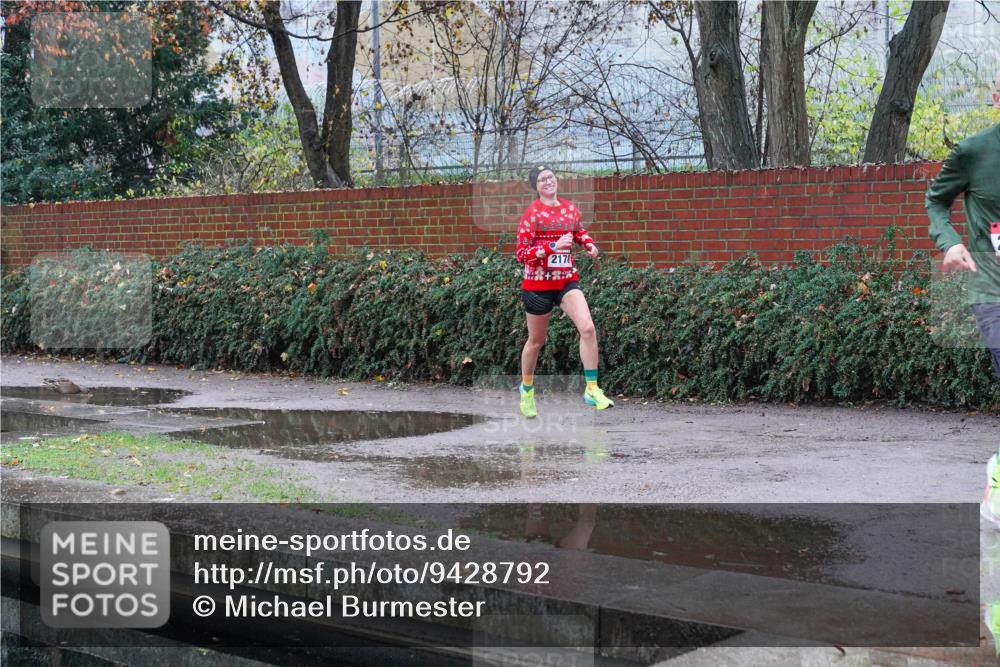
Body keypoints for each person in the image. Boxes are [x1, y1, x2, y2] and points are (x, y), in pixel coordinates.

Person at [925, 70, 1000, 527]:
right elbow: (936, 201)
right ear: (997, 98)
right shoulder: (973, 152)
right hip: (992, 288)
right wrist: (950, 242)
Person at [515, 165, 613, 417]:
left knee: (588, 328)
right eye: (542, 180)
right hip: (538, 286)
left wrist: (588, 244)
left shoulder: (569, 208)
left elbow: (578, 232)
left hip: (565, 281)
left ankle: (592, 388)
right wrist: (552, 247)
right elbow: (522, 254)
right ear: (536, 187)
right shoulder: (532, 214)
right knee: (536, 341)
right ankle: (527, 390)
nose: (548, 181)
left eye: (551, 177)